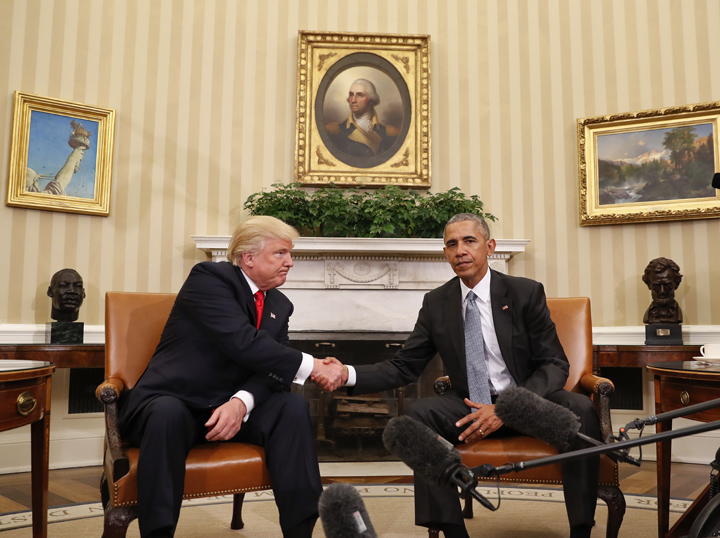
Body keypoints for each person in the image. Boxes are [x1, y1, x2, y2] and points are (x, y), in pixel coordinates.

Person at [317, 213, 600, 538]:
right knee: (415, 418)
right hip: (471, 406)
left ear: (489, 247)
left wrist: (507, 407)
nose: (460, 250)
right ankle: (452, 530)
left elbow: (554, 364)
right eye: (452, 244)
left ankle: (581, 529)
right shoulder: (437, 303)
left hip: (527, 403)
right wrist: (345, 373)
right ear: (445, 253)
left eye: (469, 241)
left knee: (581, 410)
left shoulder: (525, 293)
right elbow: (404, 366)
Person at [118, 216, 344, 538]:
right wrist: (315, 366)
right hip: (175, 401)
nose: (290, 263)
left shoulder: (280, 304)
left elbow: (272, 370)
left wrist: (241, 402)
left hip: (230, 410)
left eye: (289, 254)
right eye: (280, 253)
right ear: (248, 258)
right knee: (166, 413)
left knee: (292, 408)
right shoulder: (210, 278)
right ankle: (158, 533)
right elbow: (243, 342)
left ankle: (300, 531)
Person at [325, 78, 399, 158]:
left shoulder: (389, 132)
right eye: (351, 95)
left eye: (360, 95)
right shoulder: (334, 131)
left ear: (371, 99)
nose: (353, 100)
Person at [642, 257, 683, 324]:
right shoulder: (649, 315)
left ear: (677, 284)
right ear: (648, 285)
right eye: (656, 286)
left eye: (667, 286)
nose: (662, 291)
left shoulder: (677, 314)